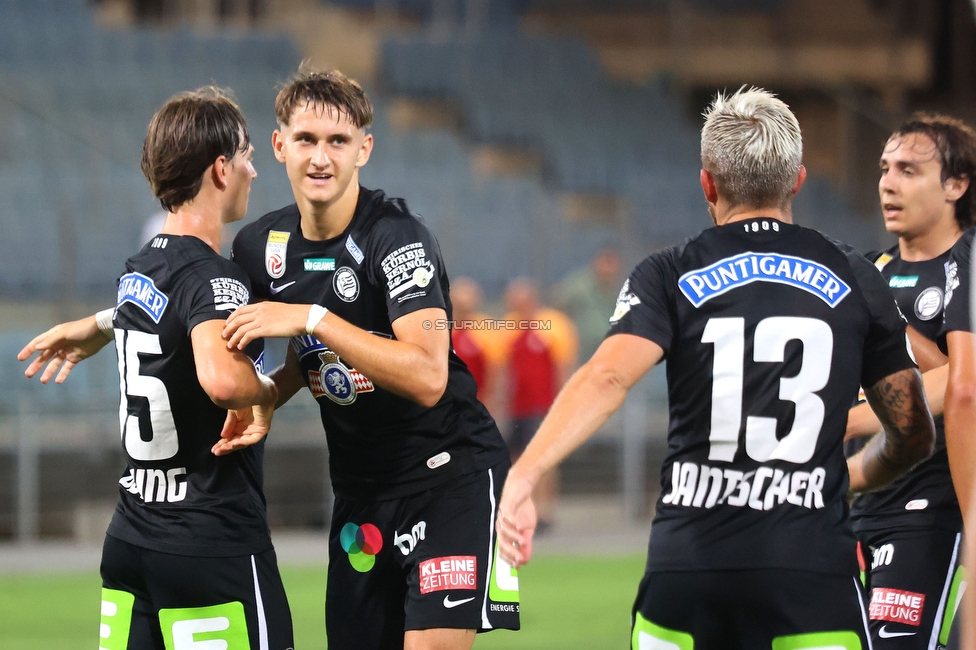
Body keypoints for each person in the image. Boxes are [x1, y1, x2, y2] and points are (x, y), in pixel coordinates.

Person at [495, 87, 936, 650]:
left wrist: (524, 476)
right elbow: (912, 430)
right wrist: (845, 479)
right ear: (798, 180)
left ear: (707, 183)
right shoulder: (856, 276)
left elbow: (607, 377)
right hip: (811, 577)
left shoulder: (666, 273)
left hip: (687, 575)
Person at [221, 68, 519, 649]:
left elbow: (430, 375)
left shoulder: (398, 238)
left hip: (448, 478)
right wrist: (269, 398)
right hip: (359, 494)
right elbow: (304, 362)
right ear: (280, 145)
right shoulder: (258, 247)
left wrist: (314, 318)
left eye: (338, 141)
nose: (321, 157)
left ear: (365, 149)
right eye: (305, 139)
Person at [17, 89, 294, 649]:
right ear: (220, 169)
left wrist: (99, 325)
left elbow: (158, 310)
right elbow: (220, 378)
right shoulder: (217, 278)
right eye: (245, 155)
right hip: (209, 548)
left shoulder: (138, 268)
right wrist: (265, 392)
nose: (253, 171)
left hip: (131, 542)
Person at [844, 114, 975, 648]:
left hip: (930, 506)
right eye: (883, 168)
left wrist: (843, 421)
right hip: (859, 504)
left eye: (908, 170)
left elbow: (962, 384)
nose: (888, 182)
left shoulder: (966, 264)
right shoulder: (869, 271)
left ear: (955, 185)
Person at [496, 277, 577, 530]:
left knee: (543, 460)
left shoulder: (553, 325)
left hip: (543, 406)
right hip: (515, 407)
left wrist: (564, 404)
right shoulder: (507, 326)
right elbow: (500, 370)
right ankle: (519, 509)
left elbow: (564, 367)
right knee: (514, 458)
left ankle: (544, 511)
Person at [553, 246, 622, 363]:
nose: (607, 269)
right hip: (581, 351)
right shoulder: (578, 286)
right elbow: (557, 307)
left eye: (611, 263)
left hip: (608, 352)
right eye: (605, 262)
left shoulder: (620, 291)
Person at [449, 276, 495, 403]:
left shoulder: (485, 329)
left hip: (477, 402)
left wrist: (490, 402)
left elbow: (494, 369)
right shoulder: (442, 329)